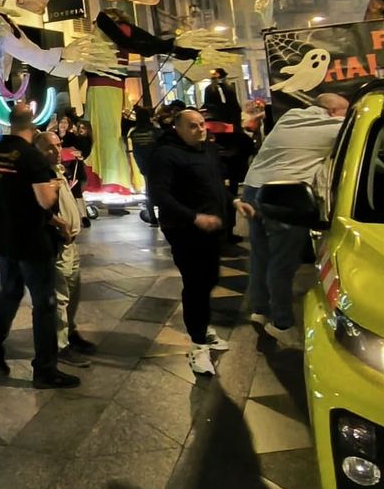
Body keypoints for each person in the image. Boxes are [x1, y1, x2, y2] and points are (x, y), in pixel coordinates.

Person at [0, 106, 81, 388]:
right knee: (44, 304)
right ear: (33, 125)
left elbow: (13, 194)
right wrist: (55, 188)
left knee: (9, 294)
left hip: (4, 238)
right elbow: (45, 200)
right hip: (32, 241)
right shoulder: (31, 156)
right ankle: (45, 369)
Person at [236, 93, 349, 347]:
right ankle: (281, 323)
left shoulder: (290, 117)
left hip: (253, 190)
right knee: (282, 262)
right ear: (332, 112)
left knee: (261, 255)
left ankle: (260, 309)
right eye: (345, 110)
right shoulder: (335, 127)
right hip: (283, 195)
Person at [146, 109, 232, 377]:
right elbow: (159, 195)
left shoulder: (207, 150)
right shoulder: (166, 154)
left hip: (210, 227)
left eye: (202, 124)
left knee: (209, 280)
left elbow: (215, 184)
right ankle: (197, 346)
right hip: (184, 230)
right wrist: (194, 217)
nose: (200, 130)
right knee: (196, 283)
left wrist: (234, 202)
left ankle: (203, 328)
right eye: (193, 126)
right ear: (178, 129)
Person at [37, 132, 94, 367]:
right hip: (57, 244)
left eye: (58, 145)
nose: (56, 151)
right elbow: (39, 208)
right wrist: (58, 224)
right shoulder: (41, 174)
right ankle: (60, 346)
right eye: (49, 147)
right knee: (60, 296)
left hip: (70, 243)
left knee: (72, 291)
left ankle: (70, 333)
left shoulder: (58, 170)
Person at [127, 100, 161, 223]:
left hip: (143, 163)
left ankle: (152, 216)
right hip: (156, 162)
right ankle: (162, 214)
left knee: (148, 189)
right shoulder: (154, 131)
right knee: (160, 188)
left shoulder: (134, 133)